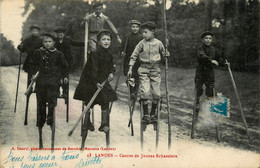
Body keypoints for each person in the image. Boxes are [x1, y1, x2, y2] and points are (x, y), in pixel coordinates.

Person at [74, 29, 117, 132]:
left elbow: (111, 67)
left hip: (102, 82)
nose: (106, 42)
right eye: (104, 40)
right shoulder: (94, 54)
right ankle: (87, 121)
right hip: (89, 81)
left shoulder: (109, 54)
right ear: (99, 42)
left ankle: (104, 123)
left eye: (108, 39)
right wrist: (96, 82)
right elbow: (93, 70)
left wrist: (111, 73)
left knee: (106, 98)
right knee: (89, 100)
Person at [127, 21, 169, 121]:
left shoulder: (159, 43)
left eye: (146, 32)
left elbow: (164, 54)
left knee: (157, 94)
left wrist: (166, 54)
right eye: (143, 32)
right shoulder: (141, 43)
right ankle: (145, 114)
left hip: (155, 69)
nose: (143, 34)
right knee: (145, 92)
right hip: (144, 69)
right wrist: (130, 68)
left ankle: (153, 113)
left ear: (152, 32)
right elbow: (134, 56)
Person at [31, 32, 69, 127]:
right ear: (42, 43)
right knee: (41, 100)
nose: (47, 43)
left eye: (50, 41)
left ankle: (50, 117)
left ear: (54, 43)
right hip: (41, 80)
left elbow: (65, 66)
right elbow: (32, 64)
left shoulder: (58, 54)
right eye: (45, 41)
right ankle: (41, 118)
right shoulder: (38, 52)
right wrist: (33, 74)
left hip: (54, 80)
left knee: (52, 98)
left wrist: (64, 77)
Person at [195, 31, 229, 114]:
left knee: (210, 90)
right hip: (201, 71)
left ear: (212, 40)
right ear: (203, 39)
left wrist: (224, 63)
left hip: (210, 72)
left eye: (210, 38)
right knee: (198, 89)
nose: (208, 40)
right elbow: (202, 56)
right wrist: (211, 60)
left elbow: (218, 58)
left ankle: (209, 107)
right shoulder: (200, 48)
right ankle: (197, 103)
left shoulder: (213, 49)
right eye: (206, 38)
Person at [54, 26, 84, 98]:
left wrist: (85, 43)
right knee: (57, 76)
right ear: (56, 34)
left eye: (61, 34)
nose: (60, 35)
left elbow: (75, 43)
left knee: (65, 77)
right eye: (58, 34)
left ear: (64, 34)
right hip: (57, 62)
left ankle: (65, 92)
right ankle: (57, 91)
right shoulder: (54, 41)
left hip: (67, 61)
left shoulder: (68, 39)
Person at [121, 20, 143, 101]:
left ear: (139, 28)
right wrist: (122, 52)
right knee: (129, 76)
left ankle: (134, 91)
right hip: (128, 59)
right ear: (131, 27)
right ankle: (131, 91)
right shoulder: (127, 37)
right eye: (133, 27)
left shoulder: (141, 37)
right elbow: (122, 47)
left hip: (138, 60)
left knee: (136, 76)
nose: (135, 28)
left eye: (136, 27)